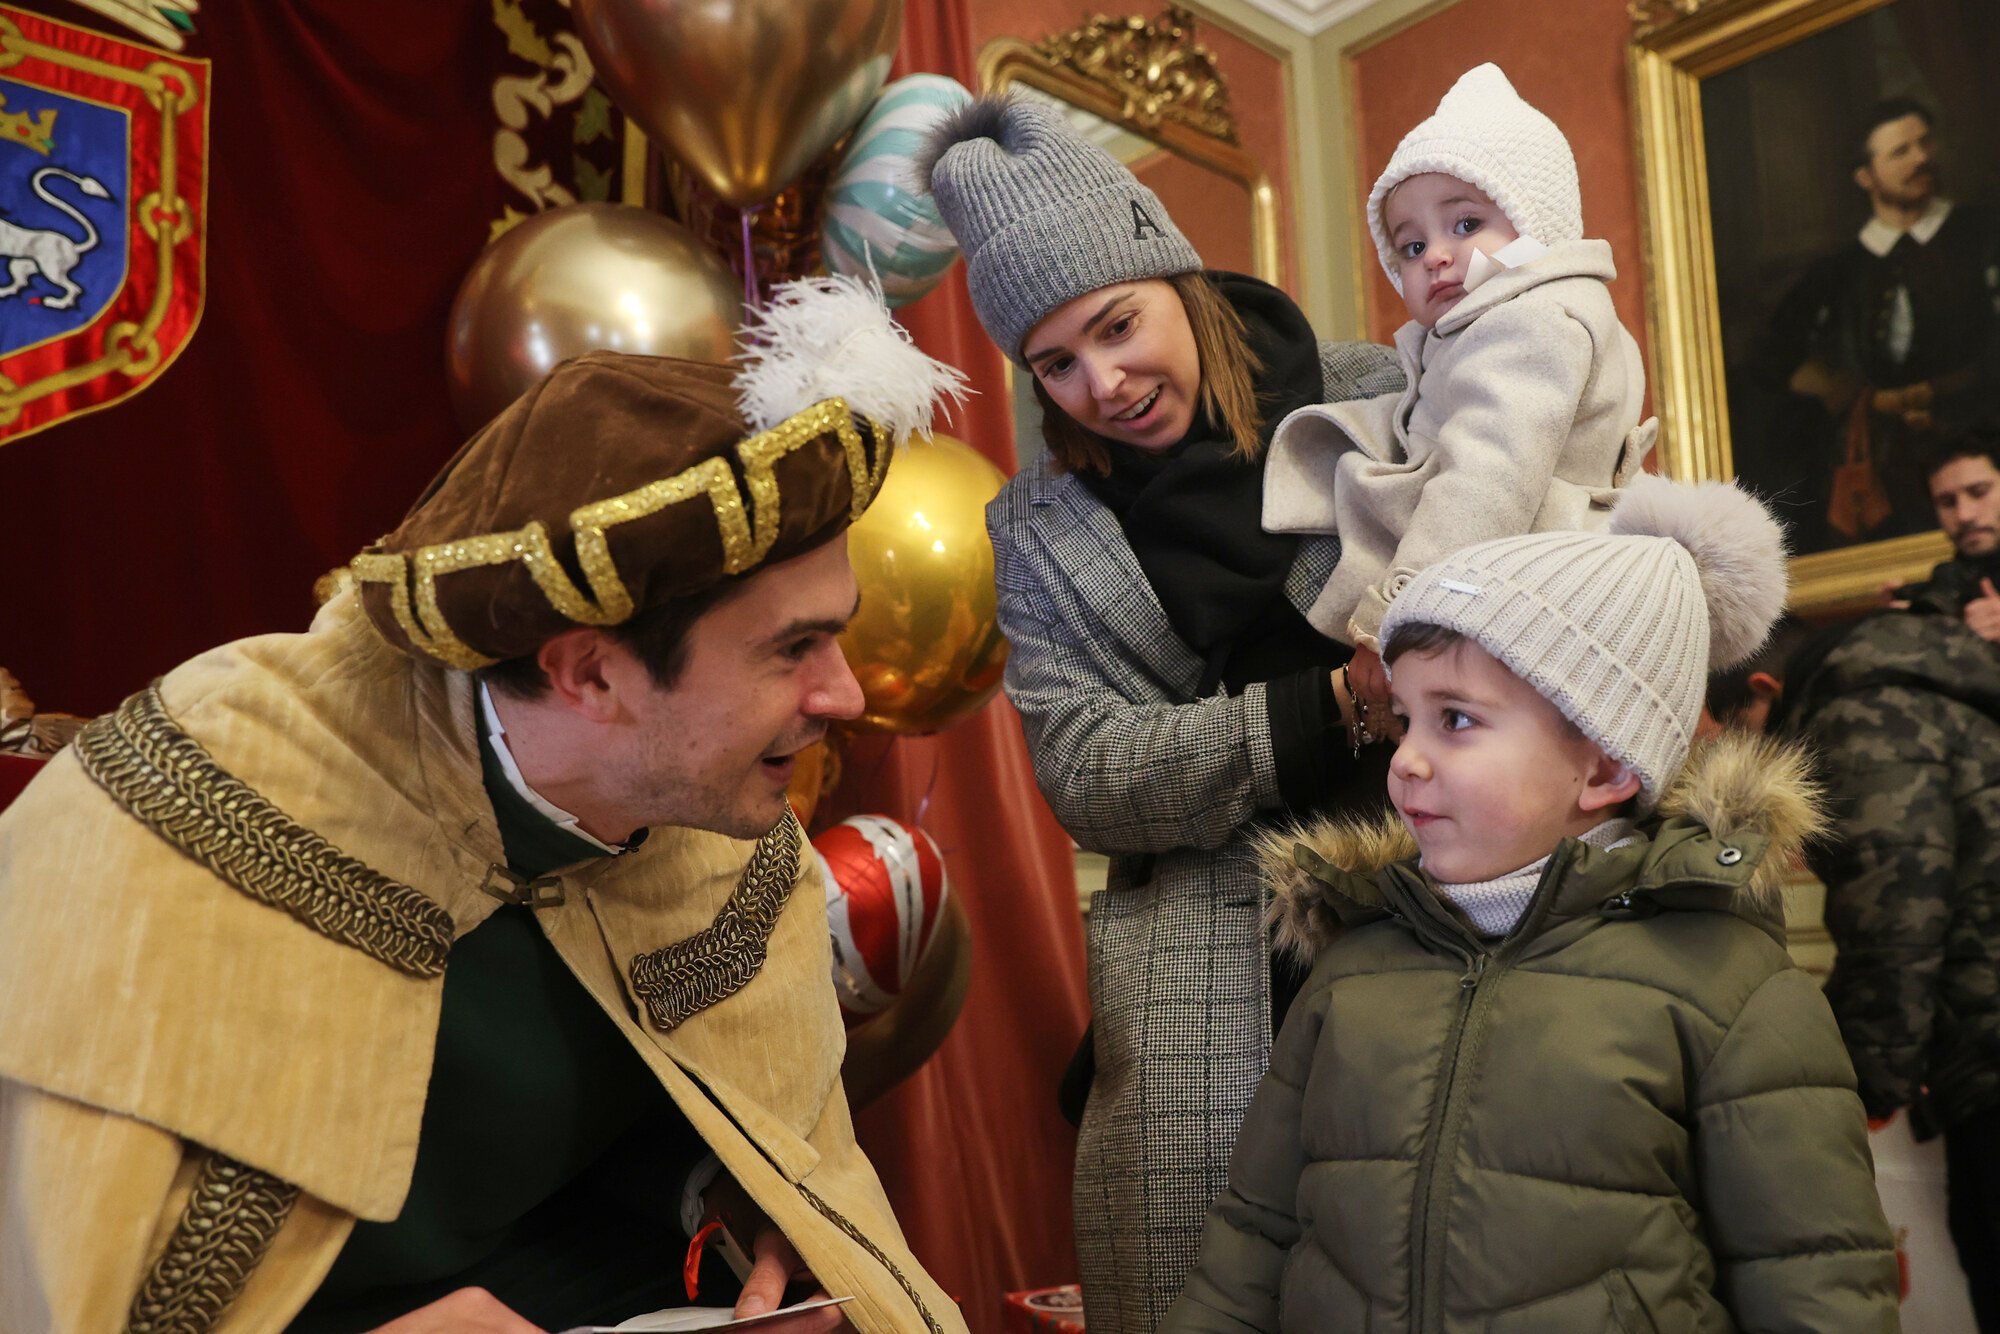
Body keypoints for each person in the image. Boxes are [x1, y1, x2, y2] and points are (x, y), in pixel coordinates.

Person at [0, 281, 969, 1334]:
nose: (847, 695)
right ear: (589, 675)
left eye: (836, 634)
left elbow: (681, 1113)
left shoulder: (721, 839)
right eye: (792, 649)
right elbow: (67, 1275)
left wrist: (736, 1196)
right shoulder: (193, 806)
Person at [1165, 475, 1900, 1332]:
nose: (1405, 761)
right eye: (1404, 720)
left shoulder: (1732, 986)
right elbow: (1252, 1241)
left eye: (1459, 721)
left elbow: (1813, 1277)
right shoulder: (1354, 965)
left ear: (1604, 769)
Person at [917, 95, 1402, 1331]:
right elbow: (1085, 772)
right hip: (1205, 982)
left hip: (1430, 915)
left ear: (1172, 270)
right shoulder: (1037, 527)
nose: (1101, 383)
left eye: (1116, 325)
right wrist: (1332, 704)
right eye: (1053, 363)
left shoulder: (1372, 398)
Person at [1261, 63, 1649, 717]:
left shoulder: (1530, 320)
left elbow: (1486, 478)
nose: (1435, 255)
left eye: (1465, 225)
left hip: (1526, 583)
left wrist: (1396, 613)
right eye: (1410, 246)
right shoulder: (1509, 321)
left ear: (1537, 234)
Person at [1758, 449, 2000, 1328]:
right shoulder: (1952, 674)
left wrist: (1854, 1092)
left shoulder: (1855, 712)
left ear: (1760, 695)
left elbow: (1898, 914)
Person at [1763, 98, 2000, 542]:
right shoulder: (1838, 270)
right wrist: (1859, 397)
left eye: (1924, 143)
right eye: (1900, 152)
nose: (1921, 158)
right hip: (1882, 470)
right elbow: (1774, 359)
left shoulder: (1984, 233)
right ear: (1865, 176)